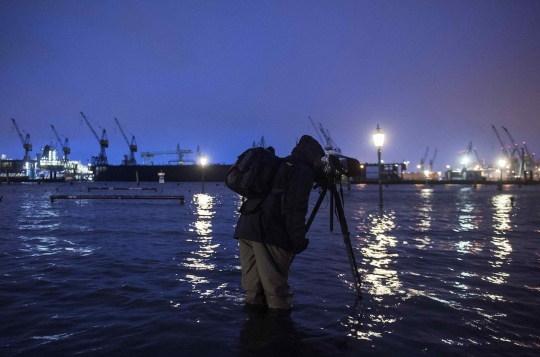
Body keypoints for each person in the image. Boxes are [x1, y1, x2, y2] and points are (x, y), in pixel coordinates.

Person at [233, 135, 325, 310]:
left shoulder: (281, 164)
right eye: (320, 159)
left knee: (253, 291)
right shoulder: (301, 171)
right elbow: (295, 210)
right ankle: (279, 333)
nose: (321, 164)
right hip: (269, 233)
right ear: (312, 155)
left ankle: (252, 331)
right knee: (277, 293)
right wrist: (297, 241)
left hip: (246, 228)